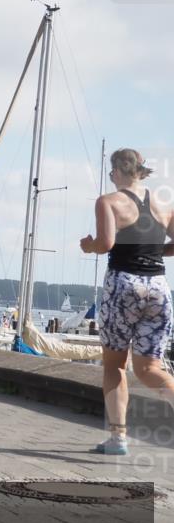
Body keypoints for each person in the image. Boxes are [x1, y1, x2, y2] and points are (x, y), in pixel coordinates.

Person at [80, 148, 174, 456]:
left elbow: (106, 243)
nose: (111, 178)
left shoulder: (108, 201)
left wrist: (88, 245)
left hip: (124, 284)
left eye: (111, 173)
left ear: (118, 171)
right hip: (159, 287)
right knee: (149, 368)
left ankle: (118, 439)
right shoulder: (163, 204)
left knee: (115, 365)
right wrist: (154, 253)